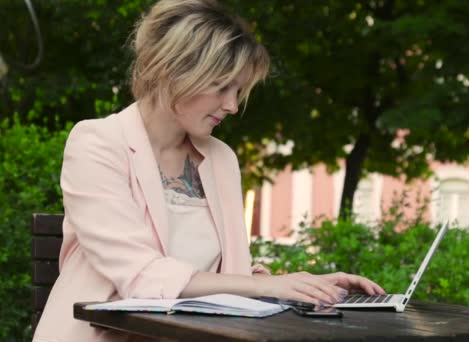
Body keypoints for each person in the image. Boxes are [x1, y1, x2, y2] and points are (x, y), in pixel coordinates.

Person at [33, 1, 385, 341]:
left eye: (239, 91)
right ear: (175, 72)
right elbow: (140, 274)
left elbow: (225, 277)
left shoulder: (220, 159)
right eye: (221, 87)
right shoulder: (97, 143)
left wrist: (304, 285)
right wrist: (263, 286)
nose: (232, 105)